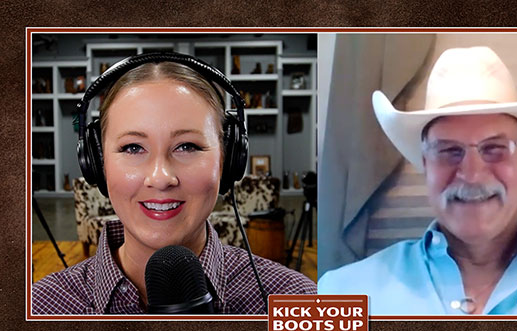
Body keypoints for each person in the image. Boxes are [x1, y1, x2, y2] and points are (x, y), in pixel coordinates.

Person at [318, 46, 517, 315]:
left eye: (495, 149)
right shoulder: (343, 295)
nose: (471, 174)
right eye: (448, 151)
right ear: (425, 164)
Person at [33, 54, 316, 315]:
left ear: (229, 160)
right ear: (96, 161)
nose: (160, 177)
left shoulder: (300, 302)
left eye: (187, 146)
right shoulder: (41, 308)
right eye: (133, 148)